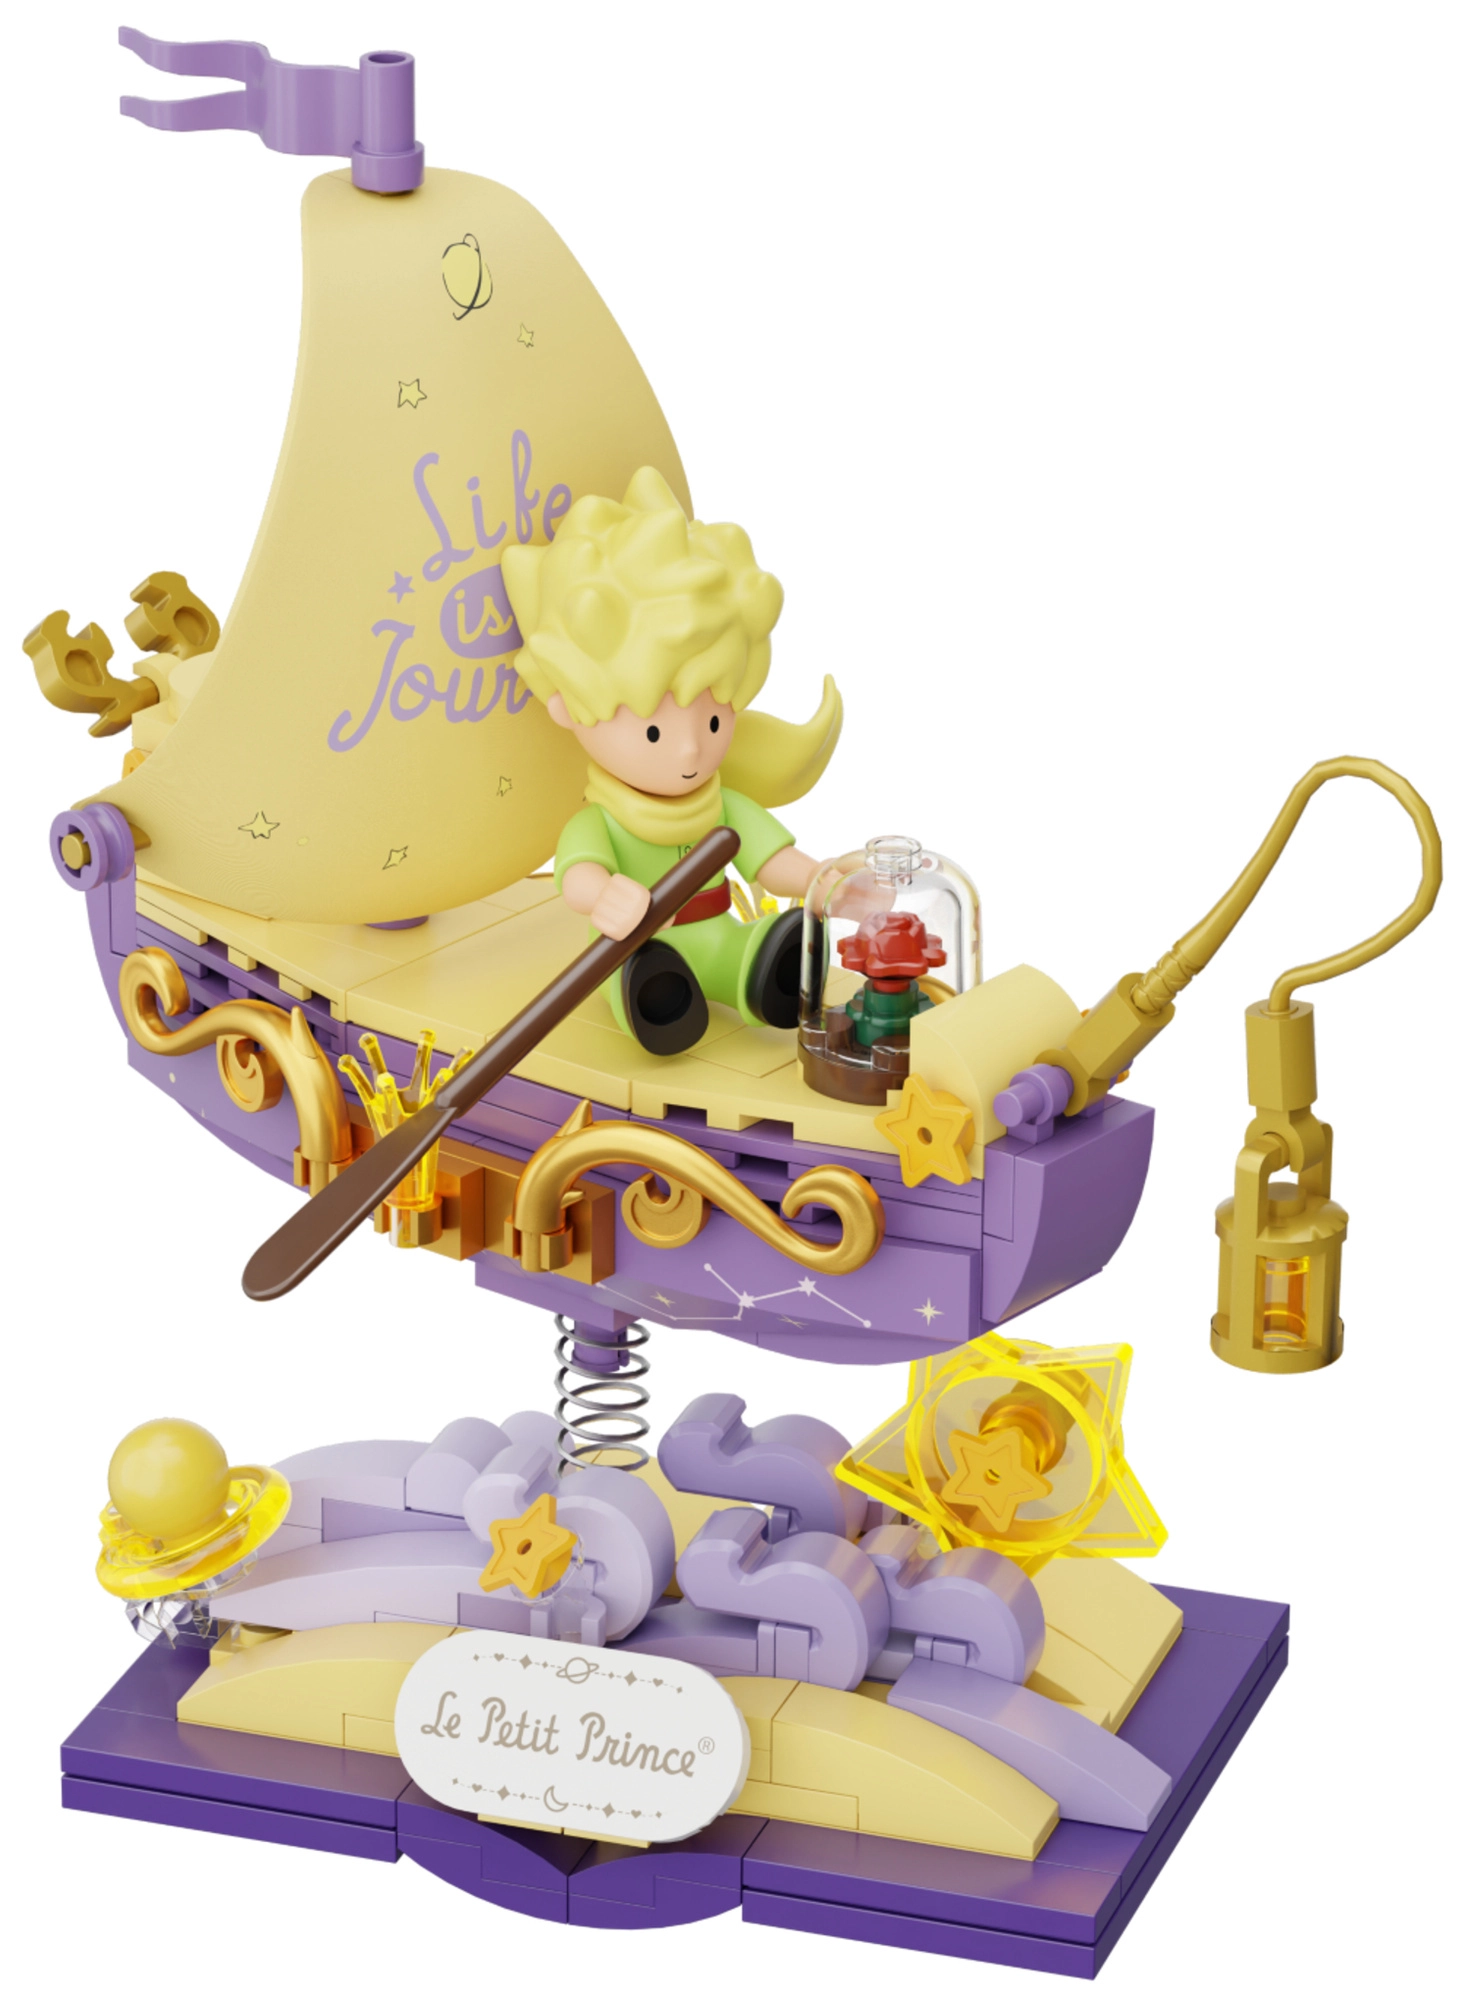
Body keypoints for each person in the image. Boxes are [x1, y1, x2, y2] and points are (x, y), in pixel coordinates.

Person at [502, 468, 840, 1054]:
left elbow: (769, 860)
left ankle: (762, 973)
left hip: (719, 932)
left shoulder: (721, 804)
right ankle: (654, 1000)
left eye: (713, 723)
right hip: (635, 946)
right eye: (655, 731)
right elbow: (579, 876)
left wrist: (818, 880)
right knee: (639, 972)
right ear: (567, 706)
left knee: (746, 950)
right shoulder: (601, 821)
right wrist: (603, 895)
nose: (690, 751)